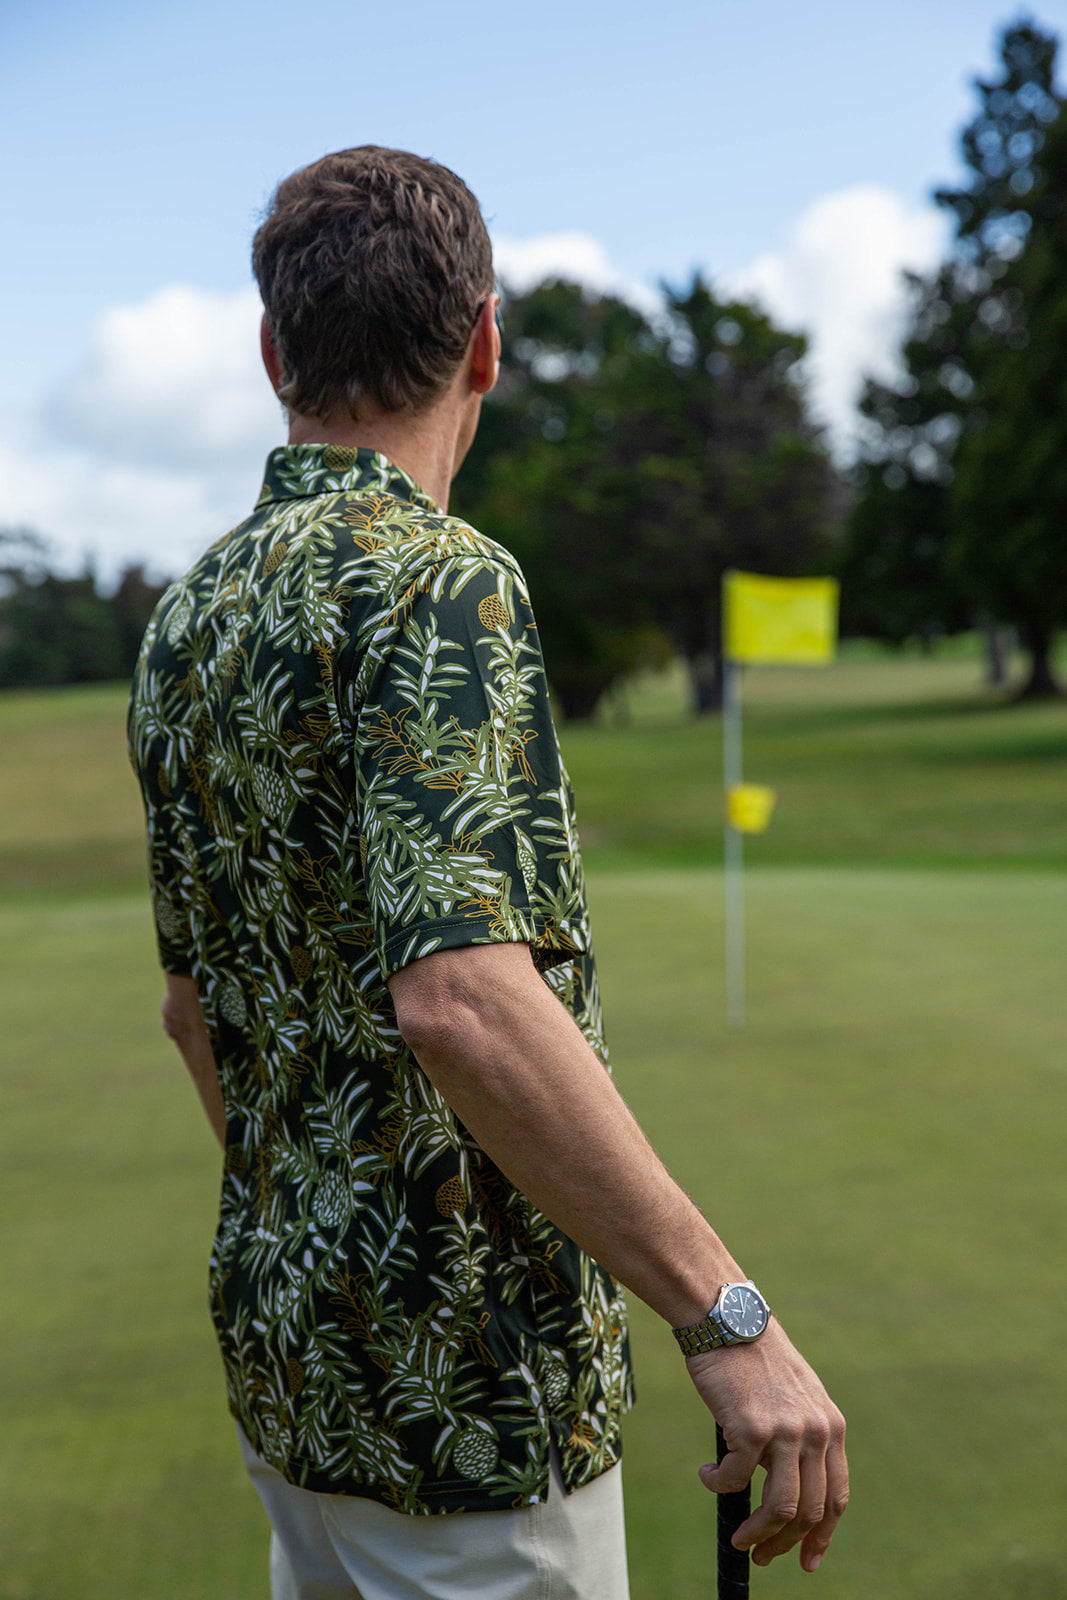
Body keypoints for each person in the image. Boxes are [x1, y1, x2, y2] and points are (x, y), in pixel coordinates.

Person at [128, 145, 847, 1600]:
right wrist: (731, 1320)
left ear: (275, 351)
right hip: (473, 1401)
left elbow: (192, 1015)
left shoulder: (188, 618)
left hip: (293, 1373)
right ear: (485, 342)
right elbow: (461, 997)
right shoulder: (443, 576)